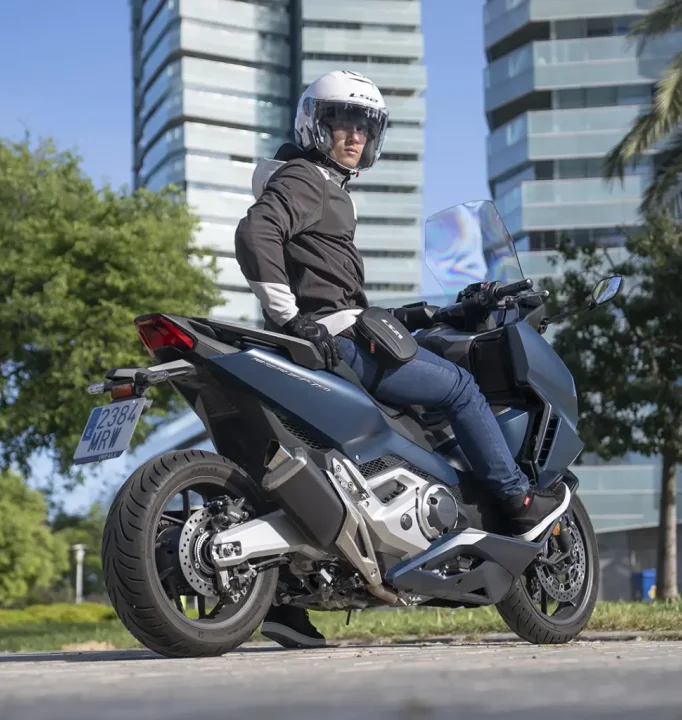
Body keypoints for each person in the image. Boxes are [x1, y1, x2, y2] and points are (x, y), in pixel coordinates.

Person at [234, 70, 569, 649]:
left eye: (364, 127)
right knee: (460, 388)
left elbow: (334, 291)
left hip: (330, 335)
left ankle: (286, 602)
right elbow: (256, 234)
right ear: (315, 125)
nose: (354, 136)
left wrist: (428, 313)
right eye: (342, 122)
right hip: (334, 341)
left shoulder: (315, 185)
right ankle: (516, 499)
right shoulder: (309, 180)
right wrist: (289, 316)